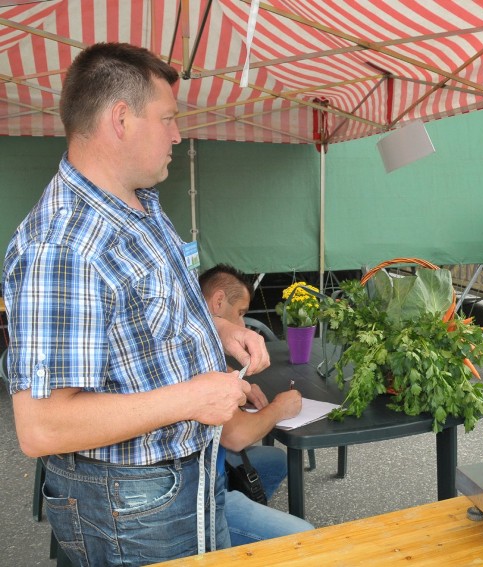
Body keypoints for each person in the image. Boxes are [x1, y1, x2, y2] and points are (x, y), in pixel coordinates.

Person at [2, 42, 272, 566]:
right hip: (133, 502)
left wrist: (216, 327)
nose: (177, 134)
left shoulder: (138, 200)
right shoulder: (64, 244)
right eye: (168, 118)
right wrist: (190, 399)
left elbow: (142, 315)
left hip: (182, 477)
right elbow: (42, 428)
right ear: (121, 119)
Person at [198, 264, 314, 543]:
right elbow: (236, 436)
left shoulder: (198, 341)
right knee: (305, 537)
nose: (242, 325)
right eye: (240, 313)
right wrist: (279, 409)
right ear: (218, 301)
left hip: (210, 471)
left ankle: (243, 542)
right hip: (203, 494)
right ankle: (240, 539)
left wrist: (236, 380)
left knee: (275, 460)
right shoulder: (198, 349)